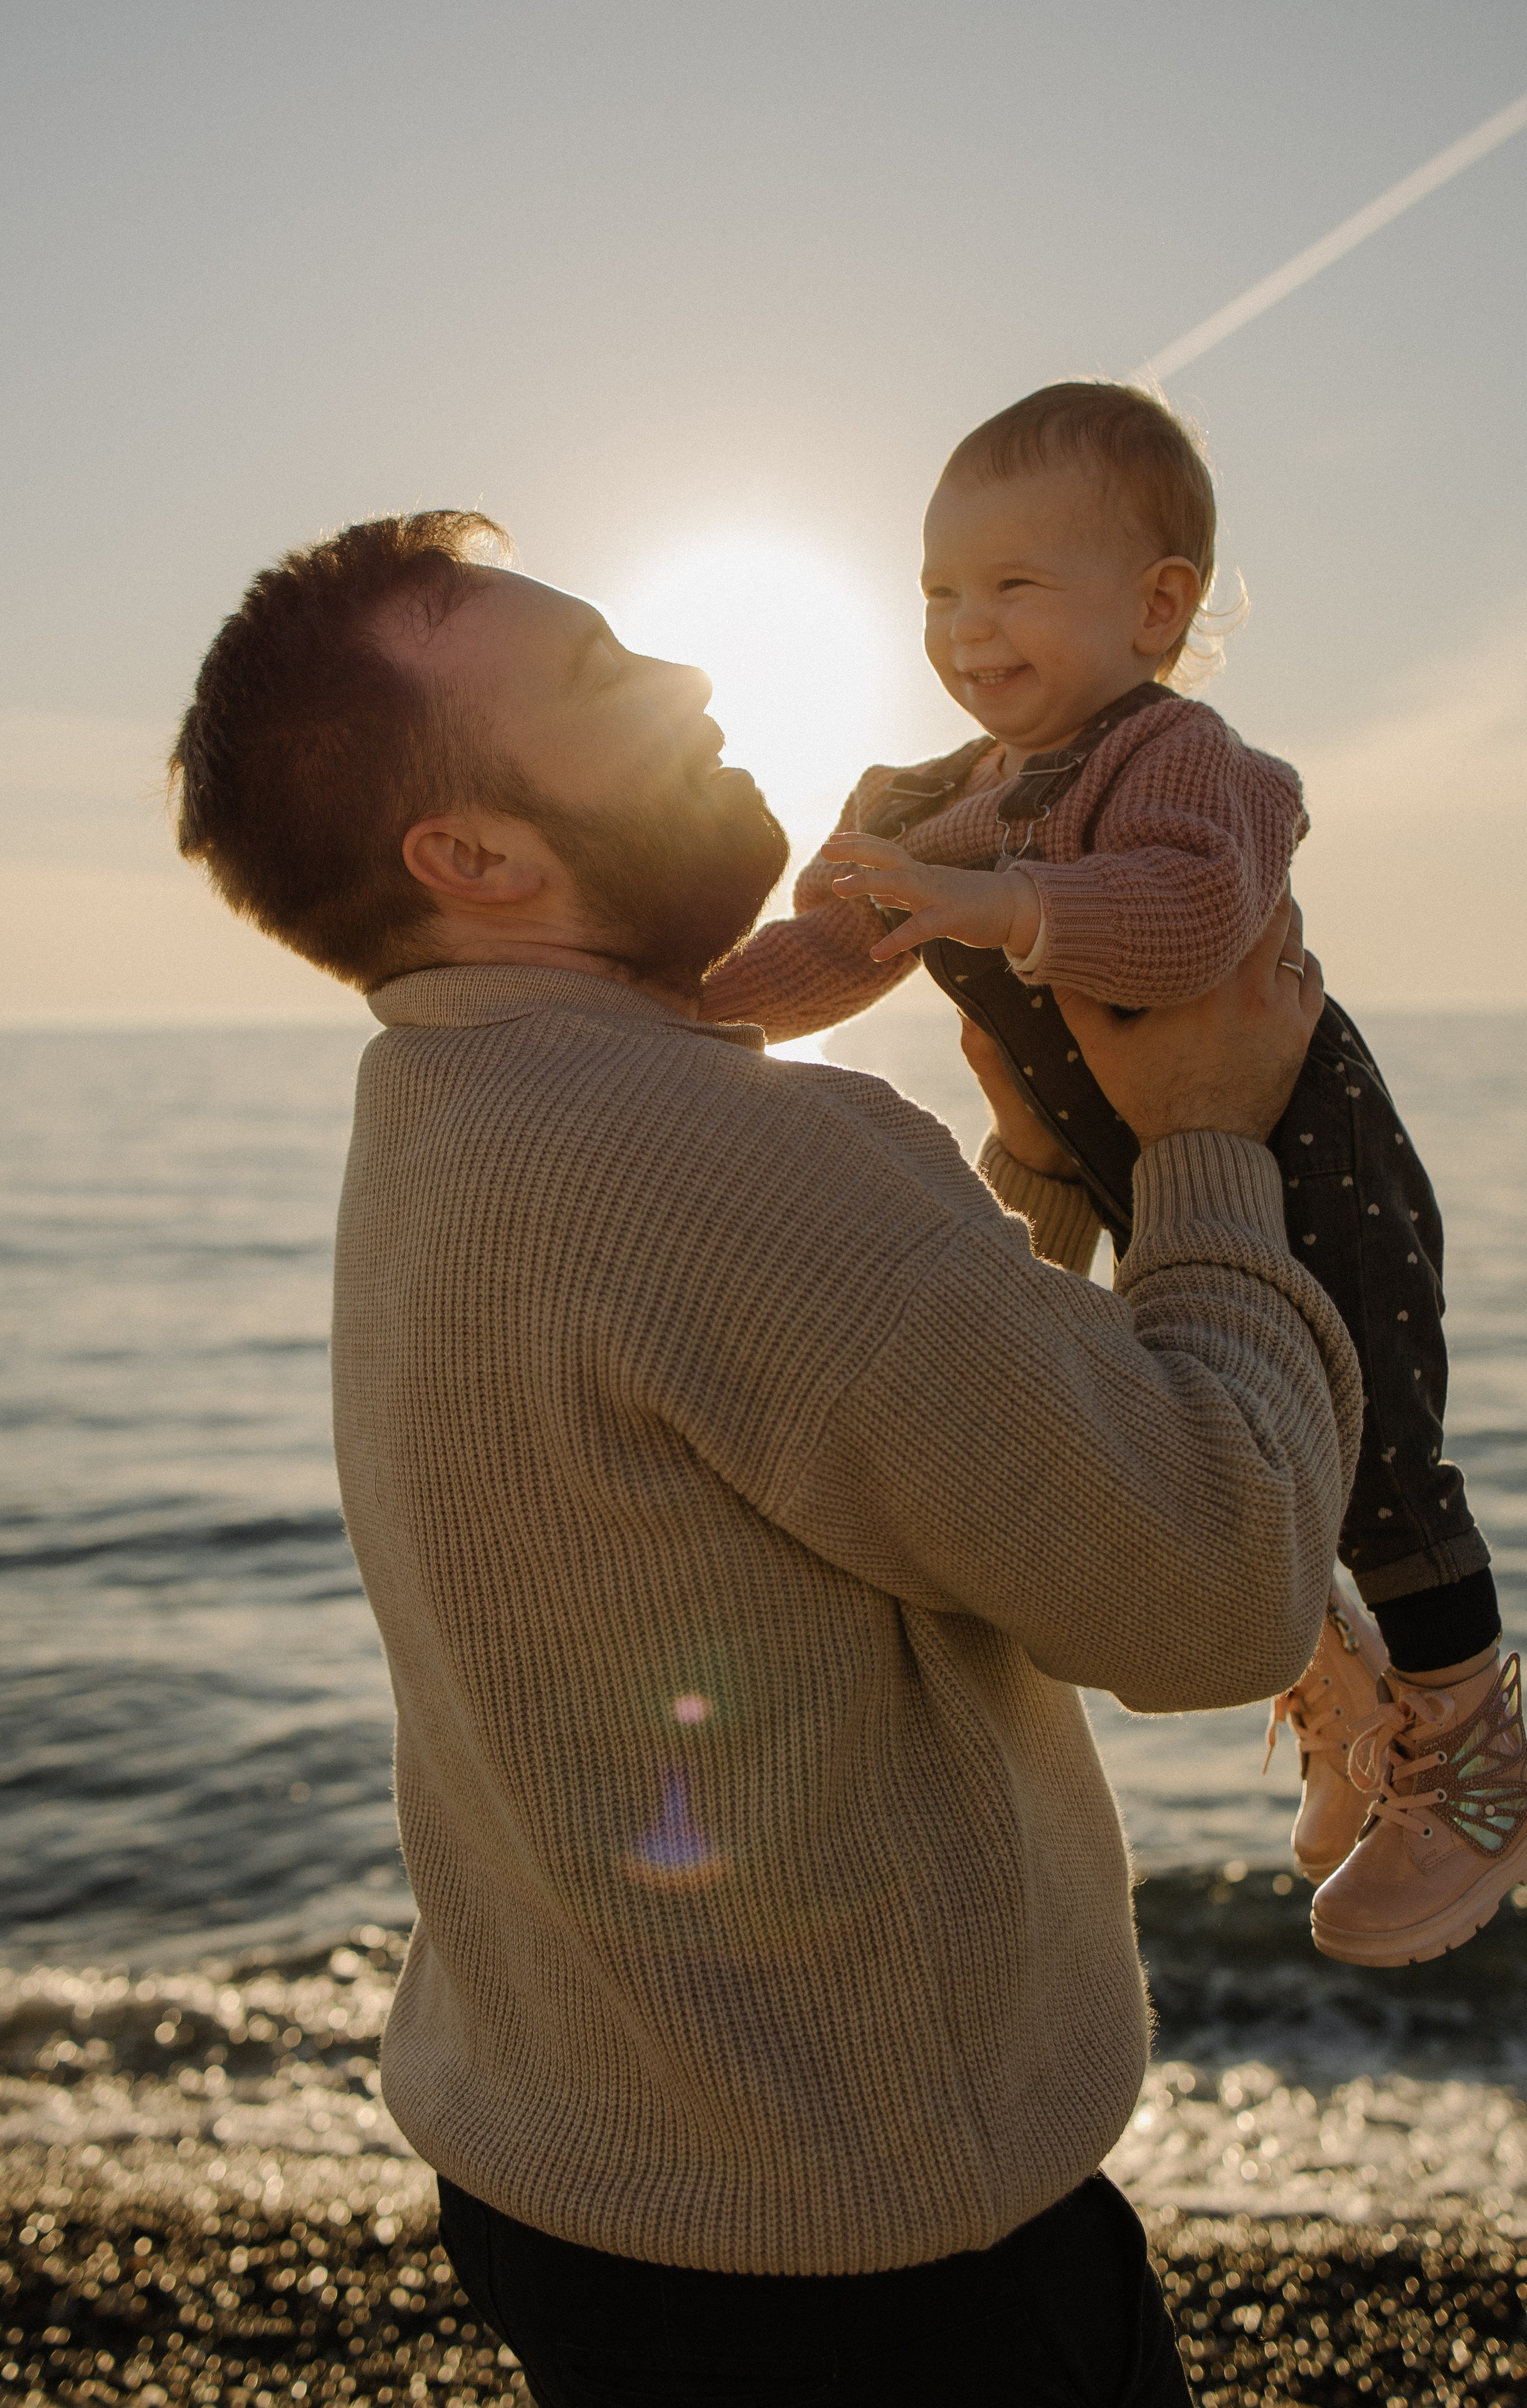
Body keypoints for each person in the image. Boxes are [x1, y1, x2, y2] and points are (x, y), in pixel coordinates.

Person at [171, 509, 1358, 2407]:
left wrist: (1023, 1206)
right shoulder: (713, 1153)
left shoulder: (446, 1102)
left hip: (591, 2179)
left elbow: (842, 1455)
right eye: (598, 684)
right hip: (874, 2271)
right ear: (470, 856)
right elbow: (1216, 1586)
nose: (692, 680)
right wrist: (1212, 1143)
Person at [702, 383, 1521, 1971]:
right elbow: (828, 948)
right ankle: (1335, 1688)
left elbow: (1189, 918)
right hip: (1130, 1165)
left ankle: (1474, 1748)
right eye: (938, 589)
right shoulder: (925, 804)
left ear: (1155, 608)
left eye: (1013, 584)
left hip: (1297, 1148)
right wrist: (678, 1007)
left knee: (1375, 1462)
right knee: (1171, 1428)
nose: (963, 623)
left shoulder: (1182, 760)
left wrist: (990, 901)